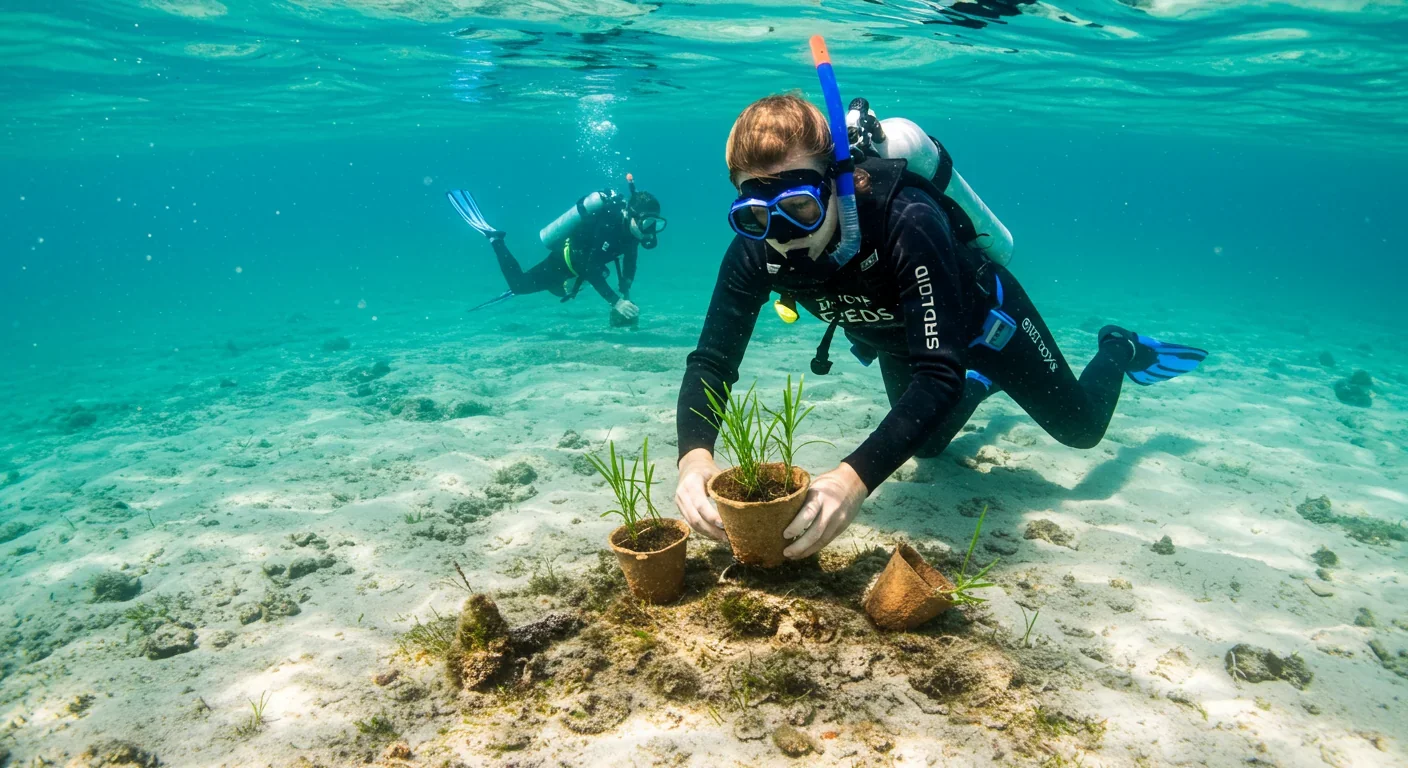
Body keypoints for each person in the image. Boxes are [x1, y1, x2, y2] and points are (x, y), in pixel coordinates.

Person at [672, 83, 1206, 562]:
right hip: (912, 346)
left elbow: (934, 376)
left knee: (1082, 429)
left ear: (837, 184)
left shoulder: (907, 219)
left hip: (987, 325)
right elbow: (712, 362)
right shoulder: (753, 252)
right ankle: (976, 383)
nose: (782, 234)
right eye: (757, 216)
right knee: (926, 447)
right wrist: (693, 460)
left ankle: (1118, 346)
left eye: (801, 209)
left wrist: (850, 482)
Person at [447, 176, 666, 324]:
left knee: (565, 289)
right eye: (647, 224)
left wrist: (625, 290)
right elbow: (590, 267)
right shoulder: (610, 224)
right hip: (566, 259)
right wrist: (616, 302)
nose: (650, 231)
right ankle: (495, 239)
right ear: (632, 215)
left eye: (655, 224)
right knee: (519, 285)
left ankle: (564, 285)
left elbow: (630, 258)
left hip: (587, 264)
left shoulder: (633, 230)